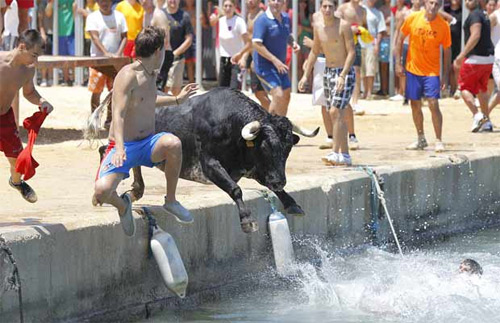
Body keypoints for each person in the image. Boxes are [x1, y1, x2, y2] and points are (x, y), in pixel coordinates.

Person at [93, 26, 198, 236]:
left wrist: (177, 99)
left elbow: (147, 100)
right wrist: (121, 148)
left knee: (173, 144)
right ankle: (123, 206)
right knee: (101, 192)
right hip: (124, 146)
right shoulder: (128, 75)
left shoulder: (151, 73)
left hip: (147, 143)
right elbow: (119, 113)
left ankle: (171, 200)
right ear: (158, 51)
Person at [299, 0, 355, 166]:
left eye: (331, 6)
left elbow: (351, 52)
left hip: (343, 72)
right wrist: (304, 75)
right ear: (320, 8)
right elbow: (315, 51)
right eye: (325, 6)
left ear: (335, 8)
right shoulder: (318, 27)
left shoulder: (343, 26)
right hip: (328, 72)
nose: (328, 9)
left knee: (334, 111)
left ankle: (335, 152)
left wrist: (343, 75)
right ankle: (345, 155)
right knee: (338, 114)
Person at [0, 30, 54, 203]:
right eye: (34, 55)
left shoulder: (27, 71)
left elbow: (29, 93)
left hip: (5, 117)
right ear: (22, 46)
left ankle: (16, 182)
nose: (35, 61)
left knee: (19, 162)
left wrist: (42, 101)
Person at [395, 0, 451, 153]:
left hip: (432, 72)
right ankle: (421, 138)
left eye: (436, 5)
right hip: (413, 69)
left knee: (433, 103)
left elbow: (447, 52)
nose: (433, 7)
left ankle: (438, 139)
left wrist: (445, 76)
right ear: (425, 3)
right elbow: (399, 40)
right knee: (415, 104)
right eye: (431, 3)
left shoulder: (443, 25)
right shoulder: (413, 18)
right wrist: (398, 63)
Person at [252, 0, 300, 117]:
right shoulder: (262, 20)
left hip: (280, 65)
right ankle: (271, 129)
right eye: (273, 0)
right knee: (278, 94)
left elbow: (286, 34)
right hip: (264, 66)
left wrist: (293, 43)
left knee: (287, 93)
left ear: (284, 2)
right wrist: (274, 60)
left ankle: (280, 126)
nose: (276, 3)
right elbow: (257, 44)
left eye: (279, 0)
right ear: (268, 2)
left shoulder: (285, 17)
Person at [454, 0, 494, 133]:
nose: (468, 1)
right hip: (488, 59)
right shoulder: (484, 14)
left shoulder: (475, 15)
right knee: (482, 90)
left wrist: (462, 55)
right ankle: (487, 122)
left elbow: (475, 35)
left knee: (464, 87)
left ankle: (477, 116)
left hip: (475, 59)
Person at [86, 0, 127, 127]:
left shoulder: (119, 16)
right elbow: (94, 37)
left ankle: (109, 120)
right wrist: (105, 53)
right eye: (102, 1)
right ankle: (95, 118)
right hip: (97, 61)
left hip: (114, 62)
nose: (104, 3)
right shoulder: (93, 17)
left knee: (114, 91)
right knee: (96, 91)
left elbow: (125, 36)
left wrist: (118, 54)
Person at [242, 0, 270, 110]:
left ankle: (274, 116)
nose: (250, 1)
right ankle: (272, 116)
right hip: (250, 55)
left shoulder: (261, 16)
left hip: (258, 57)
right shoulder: (248, 15)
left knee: (261, 93)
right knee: (259, 92)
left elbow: (260, 41)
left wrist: (256, 59)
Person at [217, 0, 251, 89]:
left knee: (234, 90)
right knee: (221, 90)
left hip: (236, 60)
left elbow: (248, 43)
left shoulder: (239, 21)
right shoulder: (220, 21)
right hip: (223, 59)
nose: (228, 8)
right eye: (226, 6)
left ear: (234, 7)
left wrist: (242, 57)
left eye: (230, 6)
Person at [164, 0, 193, 96]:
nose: (173, 1)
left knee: (175, 88)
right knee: (163, 87)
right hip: (162, 58)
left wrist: (175, 53)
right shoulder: (161, 14)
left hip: (177, 58)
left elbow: (189, 39)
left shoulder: (184, 16)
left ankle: (175, 109)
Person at [144, 0, 174, 92]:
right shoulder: (146, 15)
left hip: (162, 55)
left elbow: (165, 39)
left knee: (159, 89)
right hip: (152, 56)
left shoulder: (158, 15)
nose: (143, 1)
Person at [362, 0, 386, 100]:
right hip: (360, 42)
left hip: (371, 43)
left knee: (370, 68)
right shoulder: (361, 10)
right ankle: (364, 91)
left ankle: (369, 92)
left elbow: (380, 30)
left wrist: (377, 44)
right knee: (363, 68)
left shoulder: (378, 13)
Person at [390, 0, 411, 103]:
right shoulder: (404, 13)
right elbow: (398, 30)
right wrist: (394, 44)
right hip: (404, 43)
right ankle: (401, 92)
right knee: (402, 69)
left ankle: (405, 92)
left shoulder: (407, 11)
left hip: (412, 44)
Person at [445, 0, 462, 100]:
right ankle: (451, 89)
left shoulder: (462, 11)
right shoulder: (446, 10)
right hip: (447, 41)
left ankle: (457, 88)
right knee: (449, 66)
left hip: (458, 41)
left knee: (456, 66)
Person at [37, 0, 54, 87]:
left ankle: (51, 77)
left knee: (53, 56)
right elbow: (41, 21)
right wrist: (42, 33)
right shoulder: (42, 4)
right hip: (46, 32)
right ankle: (44, 78)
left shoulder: (57, 3)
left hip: (55, 33)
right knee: (44, 56)